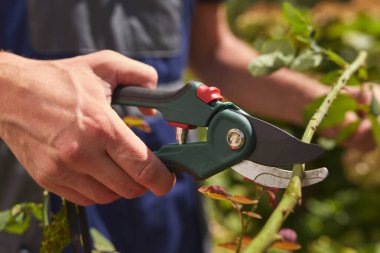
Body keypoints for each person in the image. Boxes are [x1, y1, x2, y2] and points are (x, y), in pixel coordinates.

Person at [0, 0, 376, 252]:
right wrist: (14, 89)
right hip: (22, 191)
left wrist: (330, 107)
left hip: (163, 207)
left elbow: (212, 52)